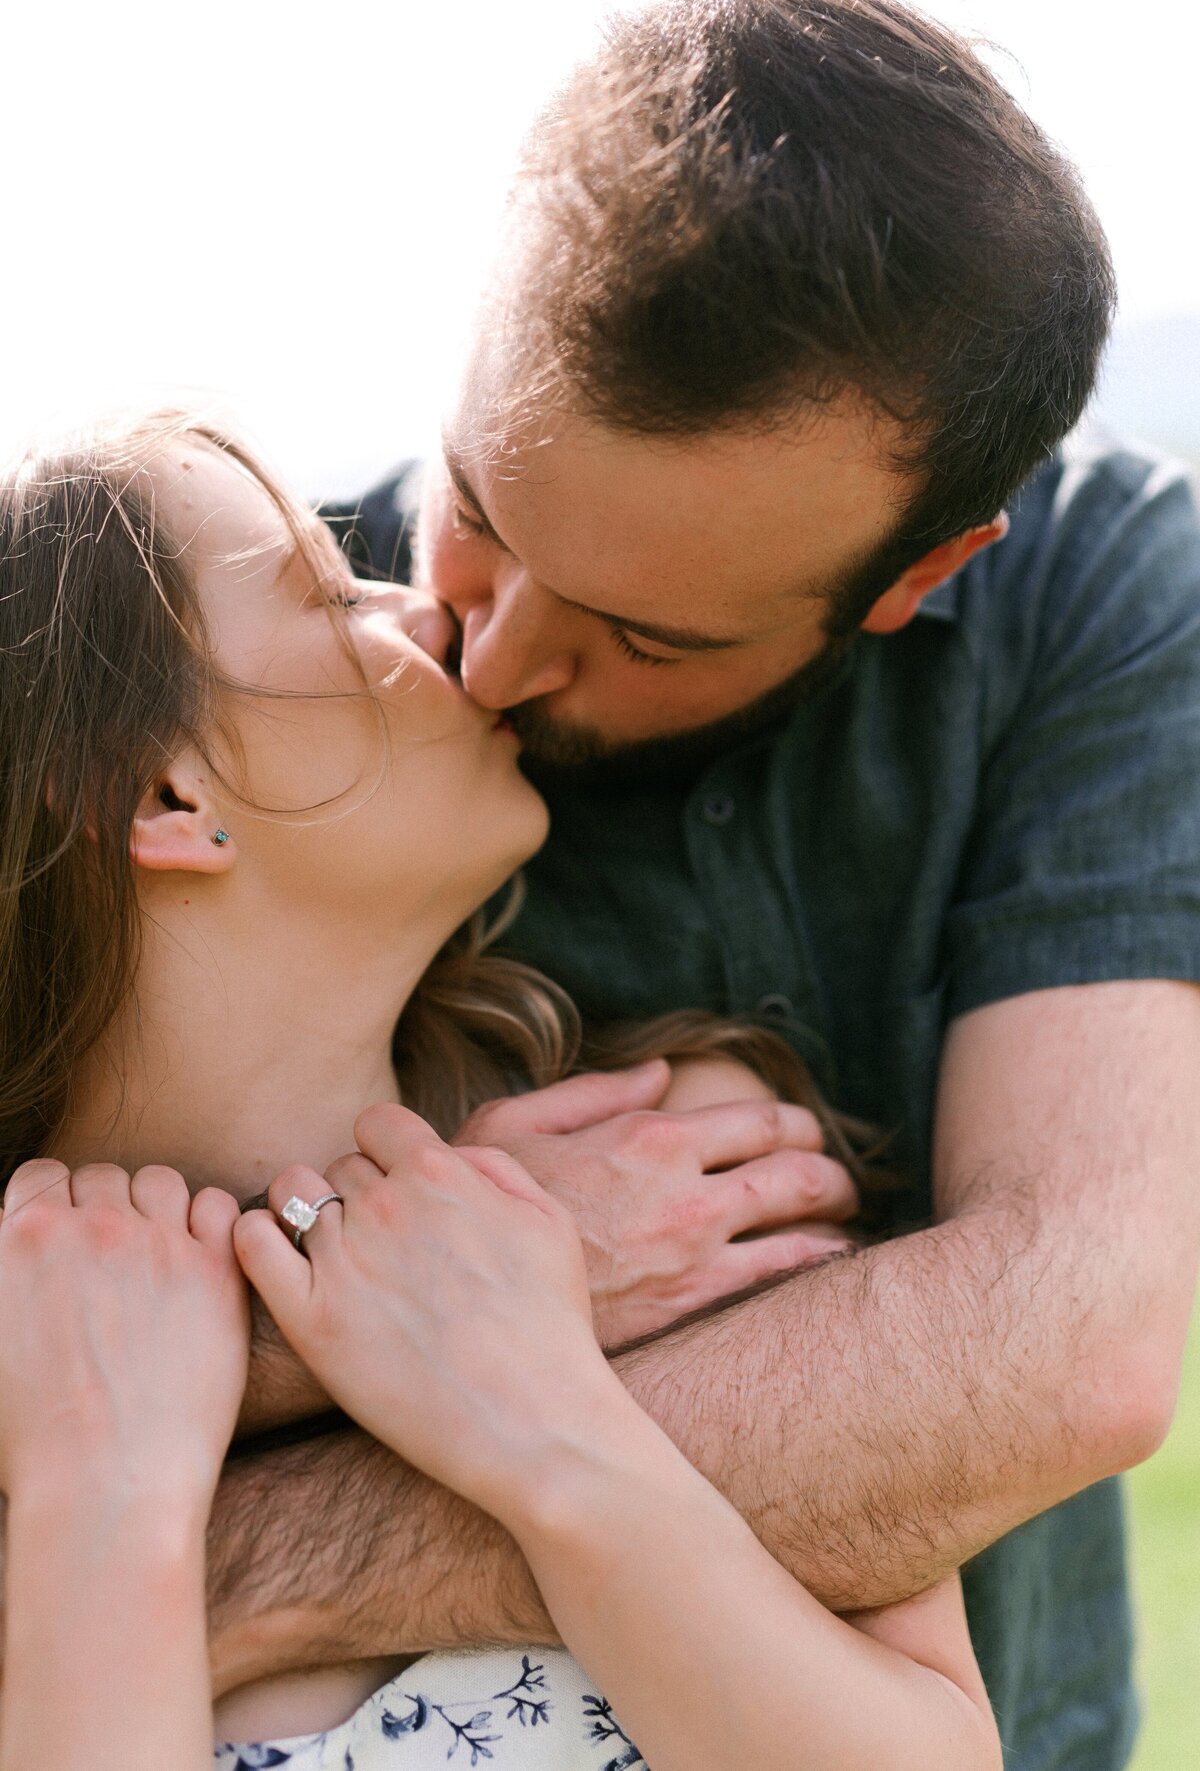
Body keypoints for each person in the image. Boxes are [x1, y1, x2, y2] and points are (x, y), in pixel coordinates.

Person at [0, 410, 1002, 1770]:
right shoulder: (40, 1369)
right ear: (172, 796)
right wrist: (104, 1495)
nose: (426, 616)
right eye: (325, 591)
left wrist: (544, 1420)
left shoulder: (677, 1170)